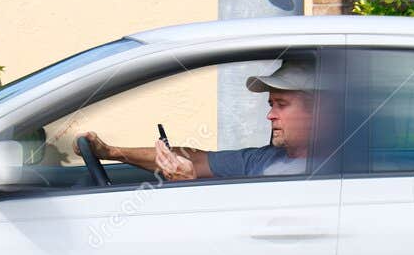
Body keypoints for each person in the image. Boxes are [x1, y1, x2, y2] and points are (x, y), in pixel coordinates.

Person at [84, 58, 316, 181]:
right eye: (271, 104)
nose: (270, 115)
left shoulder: (325, 171)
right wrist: (110, 152)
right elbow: (195, 160)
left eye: (282, 105)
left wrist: (190, 185)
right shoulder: (264, 158)